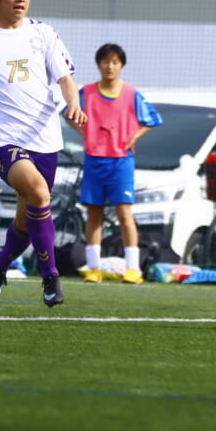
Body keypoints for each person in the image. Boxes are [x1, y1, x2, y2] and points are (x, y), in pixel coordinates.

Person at [0, 0, 87, 307]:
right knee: (39, 193)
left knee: (26, 221)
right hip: (3, 141)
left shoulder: (42, 33)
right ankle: (50, 278)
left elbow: (65, 78)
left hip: (45, 139)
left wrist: (74, 105)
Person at [65, 43, 162, 285]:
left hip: (121, 161)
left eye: (115, 62)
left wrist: (134, 138)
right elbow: (69, 113)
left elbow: (153, 119)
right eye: (105, 61)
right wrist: (86, 134)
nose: (110, 66)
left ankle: (133, 269)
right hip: (94, 159)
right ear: (98, 65)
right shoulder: (87, 92)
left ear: (122, 66)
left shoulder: (131, 94)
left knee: (124, 213)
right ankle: (93, 268)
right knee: (94, 214)